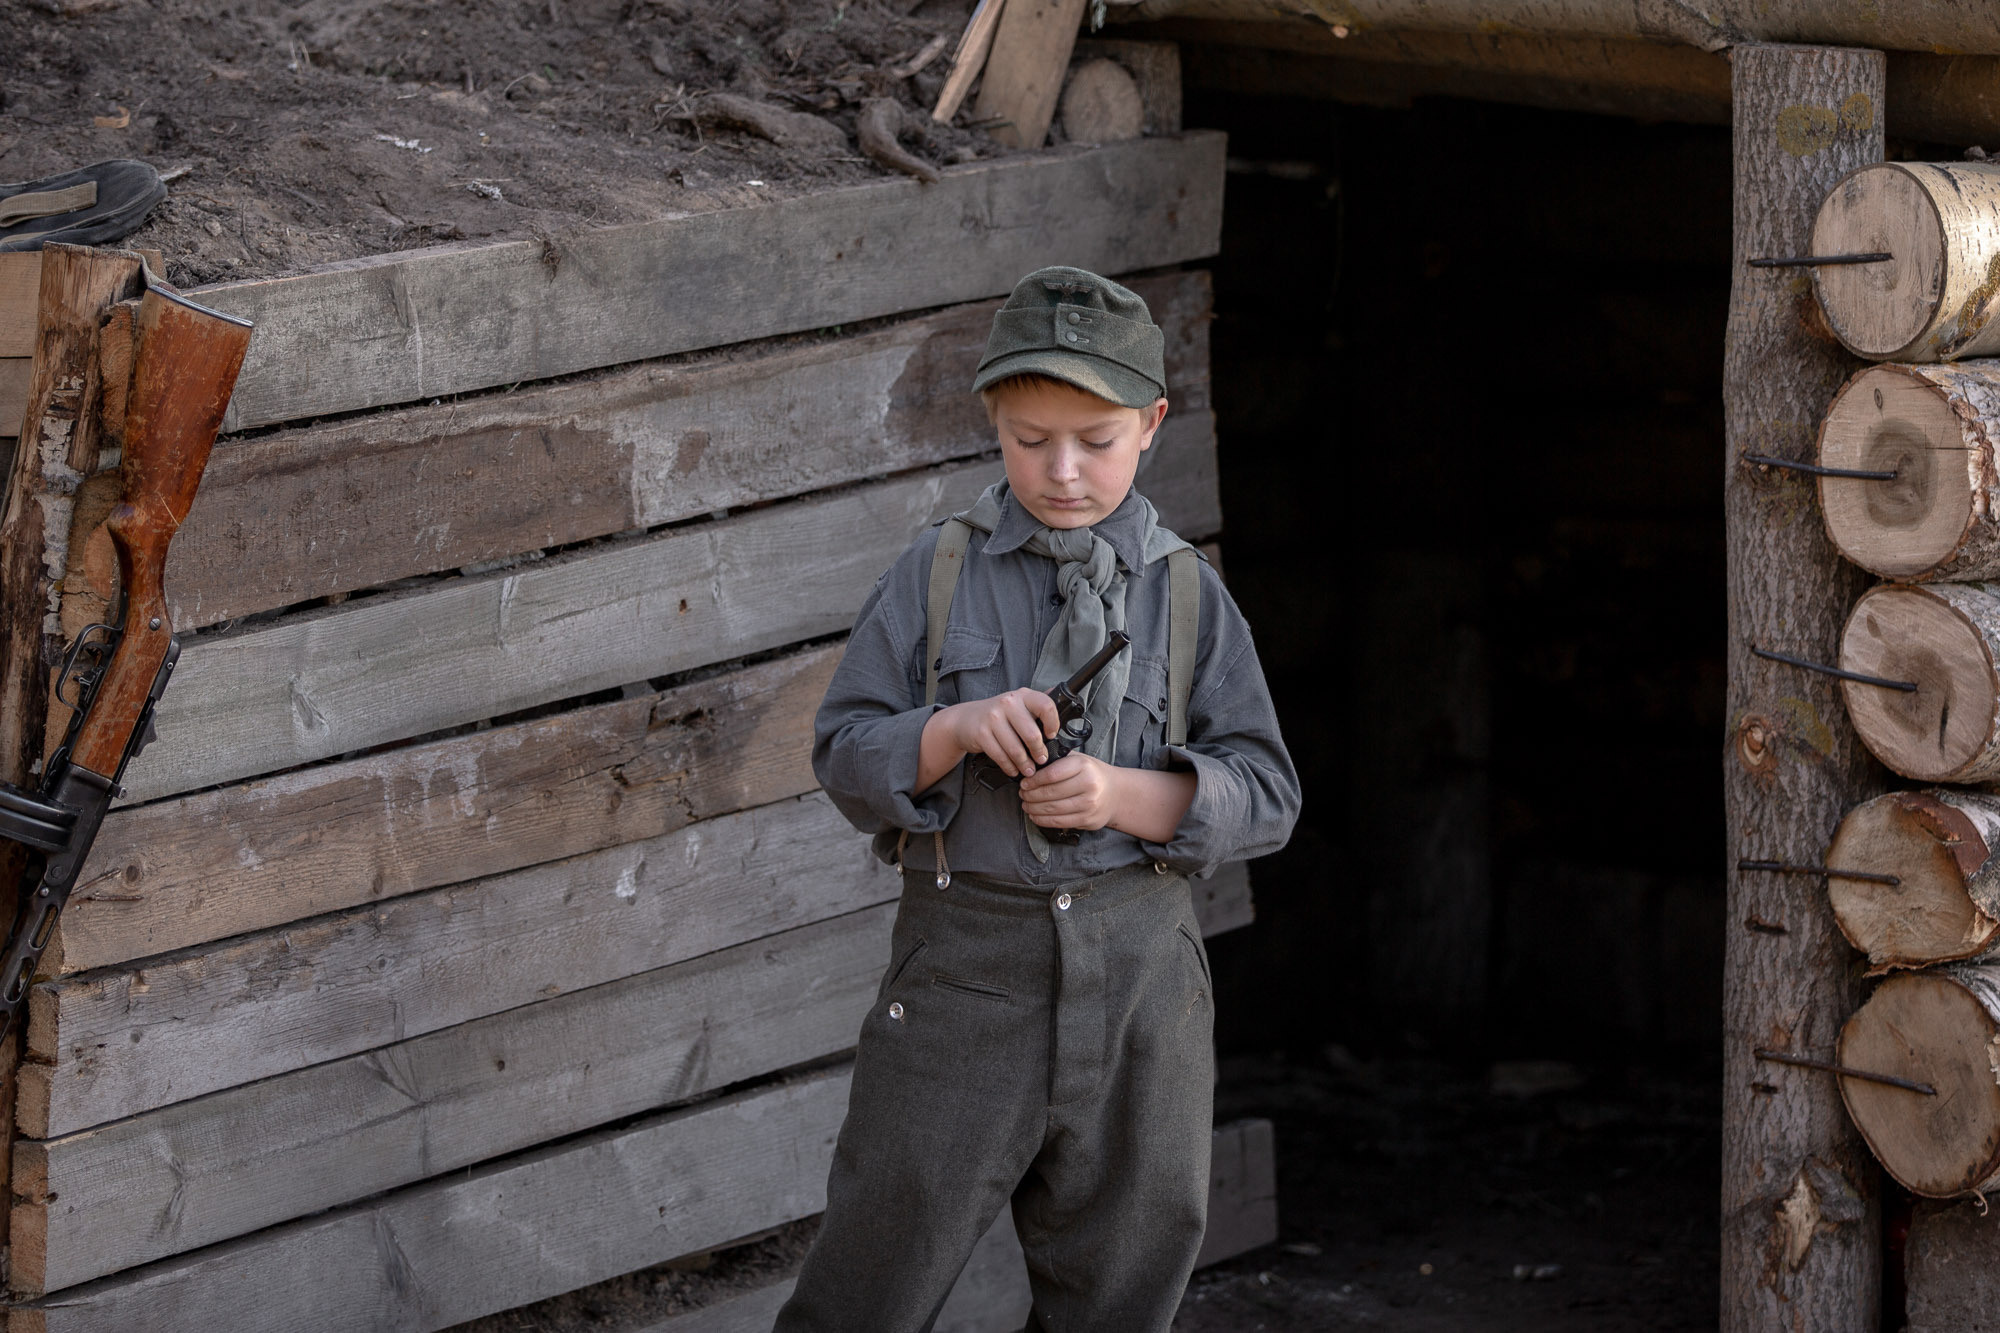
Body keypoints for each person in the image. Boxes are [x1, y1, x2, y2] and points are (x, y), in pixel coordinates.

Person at [774, 266, 1301, 1333]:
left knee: (1122, 1286)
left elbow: (1269, 792)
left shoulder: (1188, 593)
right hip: (963, 973)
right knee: (871, 1280)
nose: (1060, 471)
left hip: (1143, 982)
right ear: (991, 422)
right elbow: (841, 751)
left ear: (1151, 424)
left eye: (1094, 440)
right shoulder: (934, 575)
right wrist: (954, 730)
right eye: (1027, 439)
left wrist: (1123, 793)